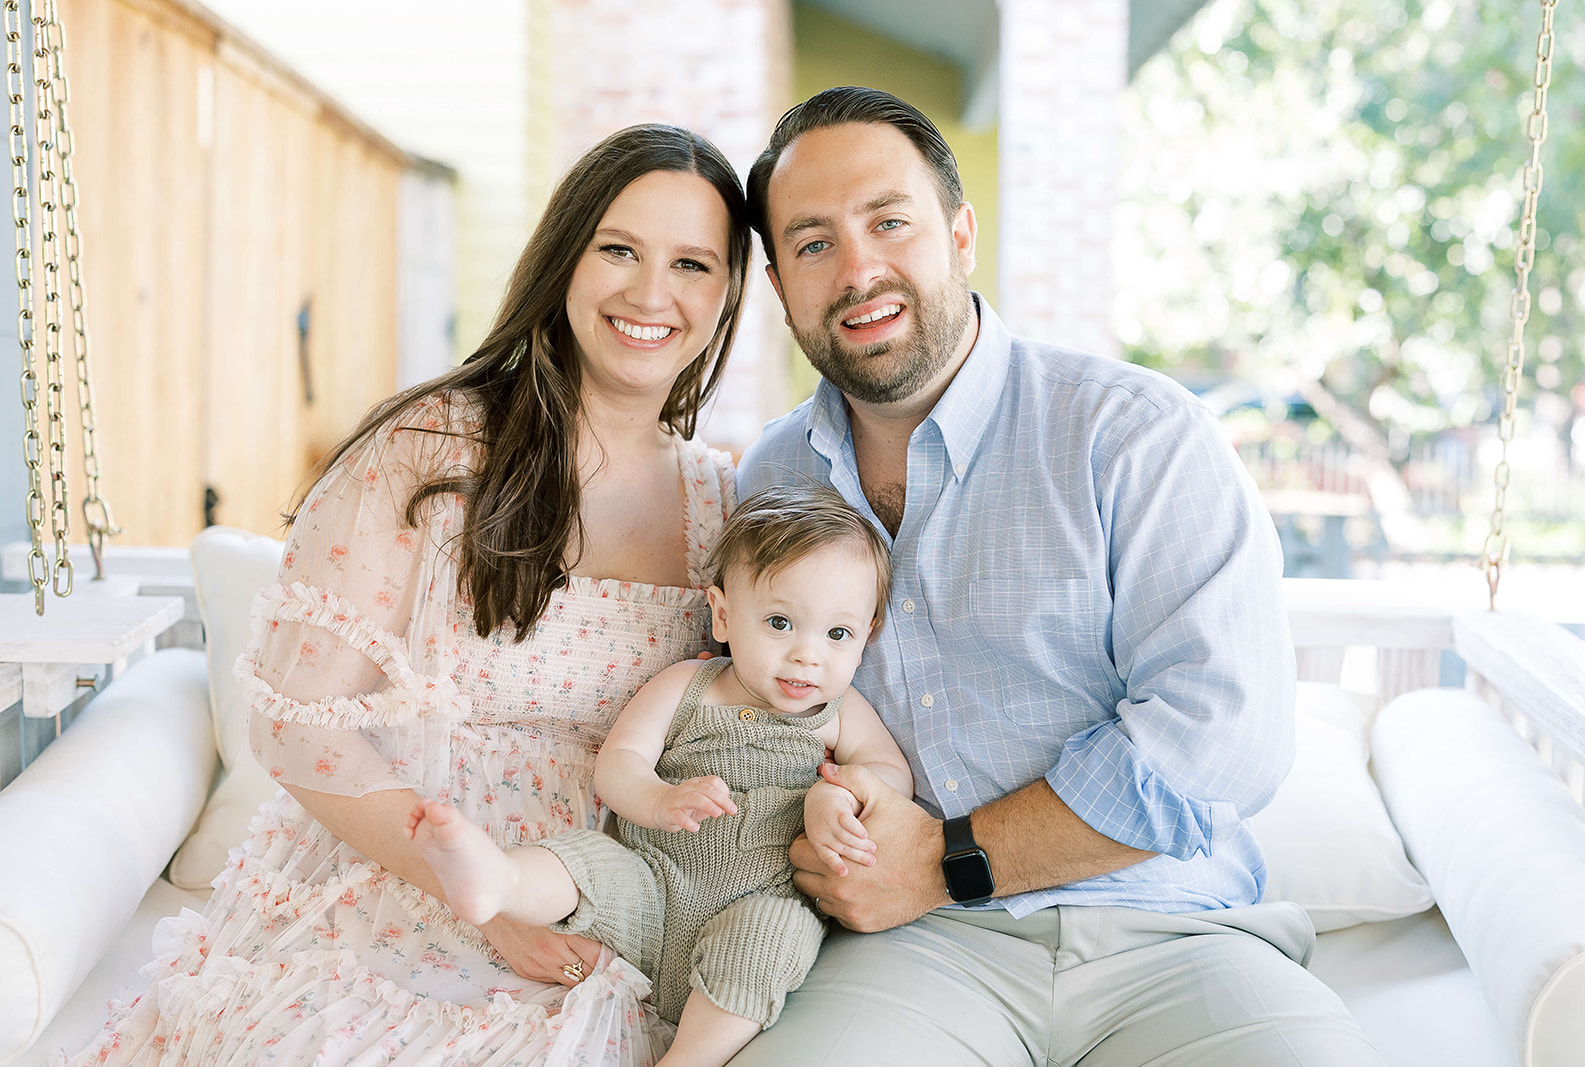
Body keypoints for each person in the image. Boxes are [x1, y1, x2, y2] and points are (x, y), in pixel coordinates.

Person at [64, 123, 752, 1067]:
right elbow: (298, 724)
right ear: (564, 262)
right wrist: (479, 898)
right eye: (619, 250)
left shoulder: (722, 507)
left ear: (726, 297)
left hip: (602, 898)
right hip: (396, 868)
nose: (650, 292)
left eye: (691, 264)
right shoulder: (433, 447)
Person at [730, 87, 1385, 1065]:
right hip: (908, 958)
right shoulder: (768, 480)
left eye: (889, 221)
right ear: (781, 285)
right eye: (814, 243)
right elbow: (755, 720)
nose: (859, 266)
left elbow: (1222, 735)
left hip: (1174, 933)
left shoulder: (1136, 435)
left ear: (959, 234)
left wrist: (949, 861)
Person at [404, 483, 913, 1067]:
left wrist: (838, 796)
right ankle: (499, 882)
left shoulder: (841, 714)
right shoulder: (688, 686)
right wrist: (658, 799)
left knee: (773, 943)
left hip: (758, 901)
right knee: (586, 862)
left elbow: (889, 776)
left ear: (867, 635)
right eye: (779, 622)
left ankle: (686, 1060)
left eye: (837, 634)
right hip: (652, 880)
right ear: (723, 614)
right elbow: (618, 765)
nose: (808, 655)